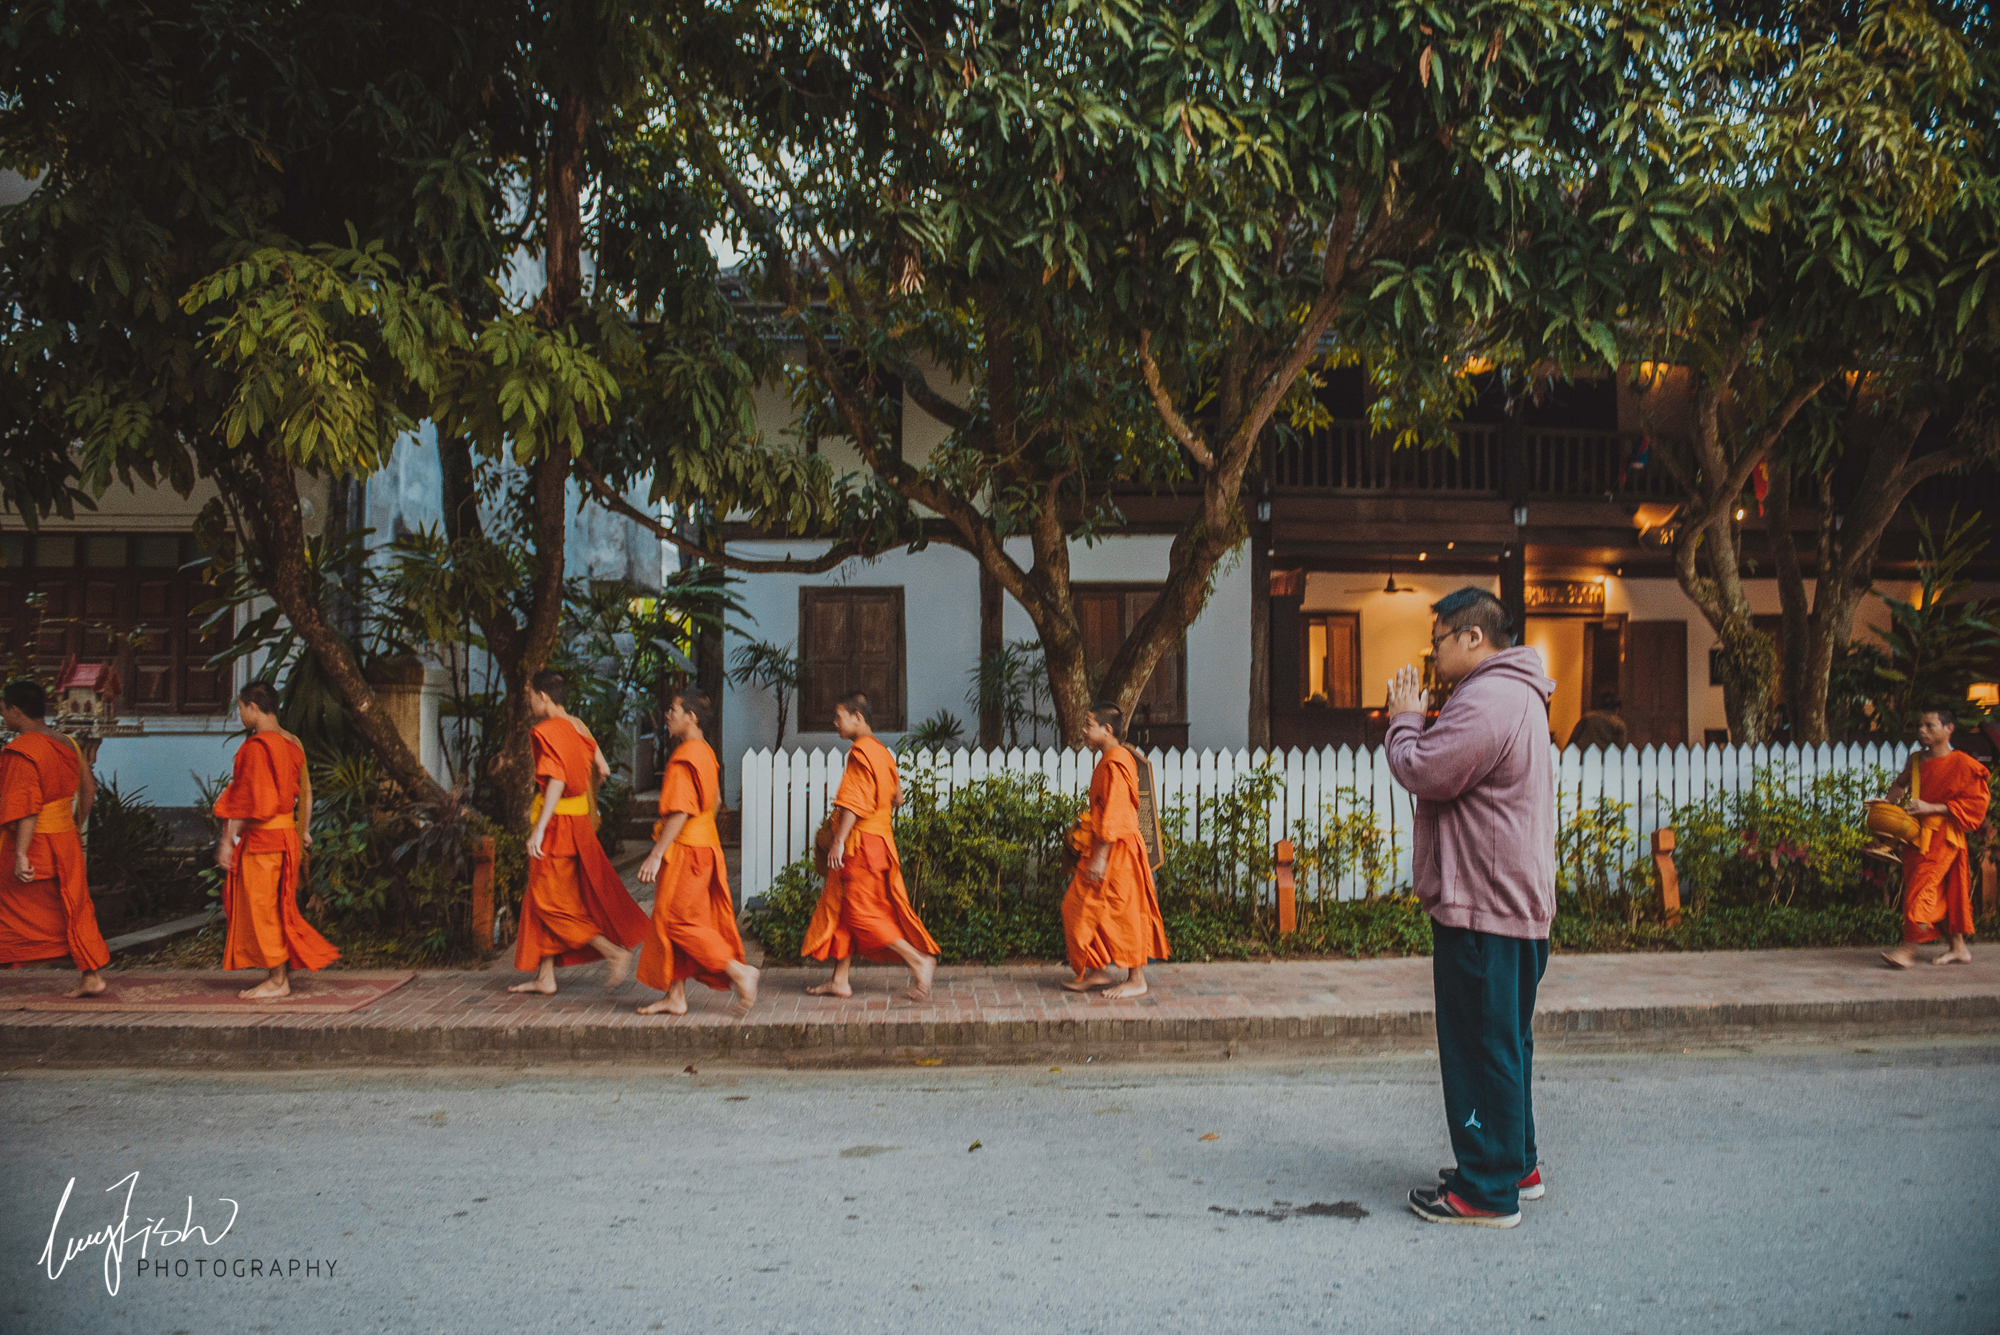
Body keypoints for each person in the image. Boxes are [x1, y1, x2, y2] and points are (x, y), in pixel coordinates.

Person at [1384, 587, 1556, 1229]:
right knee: (1505, 1043)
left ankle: (1487, 1191)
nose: (1431, 656)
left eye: (1438, 642)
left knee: (1480, 1048)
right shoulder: (1518, 694)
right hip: (1509, 903)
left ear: (1473, 639)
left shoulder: (1490, 697)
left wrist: (1405, 718)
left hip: (1484, 907)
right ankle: (1515, 1164)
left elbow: (1426, 768)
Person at [508, 670, 648, 996]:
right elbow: (603, 769)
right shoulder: (577, 727)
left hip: (556, 826)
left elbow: (556, 780)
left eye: (530, 695)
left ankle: (613, 952)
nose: (529, 702)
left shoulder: (549, 731)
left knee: (550, 902)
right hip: (578, 824)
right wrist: (586, 797)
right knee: (542, 898)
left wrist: (539, 829)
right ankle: (545, 976)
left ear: (543, 696)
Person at [801, 692, 938, 1002]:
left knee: (864, 914)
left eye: (840, 716)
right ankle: (840, 980)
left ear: (858, 718)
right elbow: (897, 797)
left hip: (860, 846)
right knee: (845, 912)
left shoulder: (860, 752)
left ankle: (919, 960)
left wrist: (837, 840)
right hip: (878, 843)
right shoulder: (882, 753)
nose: (835, 722)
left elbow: (854, 802)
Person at [634, 687, 758, 1015]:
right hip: (703, 846)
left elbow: (681, 811)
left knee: (676, 920)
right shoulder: (705, 753)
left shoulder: (686, 755)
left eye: (673, 709)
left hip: (687, 850)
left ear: (691, 717)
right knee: (679, 916)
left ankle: (738, 971)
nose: (667, 715)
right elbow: (714, 804)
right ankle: (676, 996)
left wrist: (656, 853)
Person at [214, 682, 339, 999]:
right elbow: (306, 793)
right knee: (279, 906)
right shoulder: (292, 742)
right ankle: (280, 970)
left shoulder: (255, 748)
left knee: (263, 908)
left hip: (264, 839)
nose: (240, 716)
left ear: (253, 707)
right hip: (287, 836)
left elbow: (247, 801)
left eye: (241, 709)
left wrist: (228, 840)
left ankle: (277, 979)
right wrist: (304, 829)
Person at [0, 679, 109, 997]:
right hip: (65, 838)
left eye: (4, 709)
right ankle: (91, 975)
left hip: (33, 841)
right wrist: (74, 825)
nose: (4, 715)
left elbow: (27, 806)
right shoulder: (69, 743)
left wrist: (21, 853)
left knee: (11, 904)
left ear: (16, 711)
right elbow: (89, 790)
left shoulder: (22, 751)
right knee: (73, 905)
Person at [1059, 702, 1169, 1000]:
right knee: (1077, 906)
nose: (1083, 730)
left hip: (1117, 849)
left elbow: (1118, 812)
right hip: (1103, 844)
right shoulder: (1109, 759)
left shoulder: (1117, 760)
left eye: (1088, 724)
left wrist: (1101, 856)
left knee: (1124, 911)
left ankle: (1137, 979)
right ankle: (1096, 971)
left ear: (1107, 730)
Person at [1881, 706, 1989, 969]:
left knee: (1919, 892)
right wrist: (1884, 805)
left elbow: (1977, 803)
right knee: (1944, 892)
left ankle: (1907, 950)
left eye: (1930, 725)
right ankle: (1958, 948)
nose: (1922, 730)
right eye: (1921, 725)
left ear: (1948, 729)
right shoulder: (1917, 760)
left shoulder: (1963, 763)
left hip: (1944, 837)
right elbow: (1899, 784)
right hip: (1916, 837)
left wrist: (1933, 808)